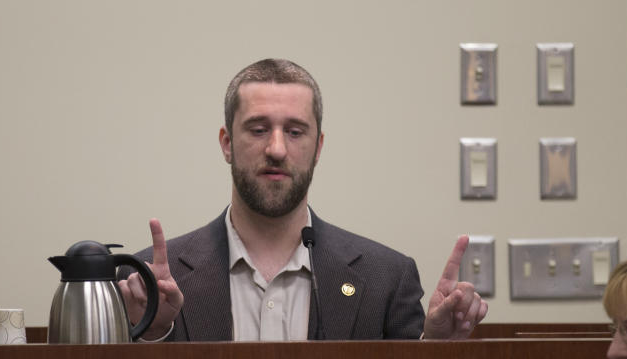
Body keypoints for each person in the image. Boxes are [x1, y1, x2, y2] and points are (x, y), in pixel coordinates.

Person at [119, 58, 487, 341]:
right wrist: (153, 331)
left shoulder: (385, 280)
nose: (276, 149)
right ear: (226, 143)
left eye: (295, 132)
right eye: (258, 129)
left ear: (318, 148)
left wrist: (438, 350)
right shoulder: (144, 282)